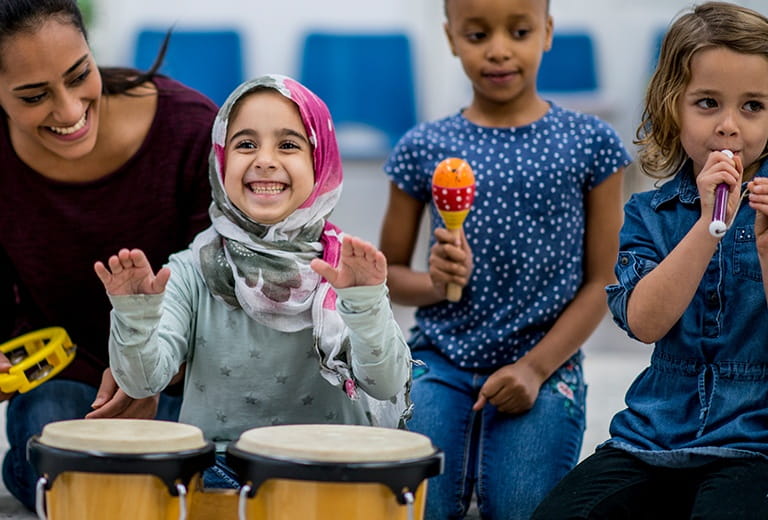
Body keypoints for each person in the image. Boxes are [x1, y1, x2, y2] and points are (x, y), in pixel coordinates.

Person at [94, 74, 413, 487]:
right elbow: (143, 381)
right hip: (218, 466)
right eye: (245, 144)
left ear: (321, 163)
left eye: (288, 144)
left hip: (332, 466)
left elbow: (384, 381)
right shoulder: (189, 269)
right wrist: (135, 317)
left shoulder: (349, 271)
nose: (264, 159)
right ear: (221, 160)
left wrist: (366, 303)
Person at [378, 0, 632, 518]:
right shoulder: (423, 145)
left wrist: (536, 369)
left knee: (522, 509)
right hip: (440, 357)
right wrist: (435, 281)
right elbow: (388, 276)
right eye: (476, 35)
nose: (498, 50)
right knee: (419, 507)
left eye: (518, 31)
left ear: (547, 32)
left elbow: (603, 279)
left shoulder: (592, 144)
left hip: (544, 359)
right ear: (451, 38)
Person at [531, 3, 768, 519]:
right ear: (671, 108)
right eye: (708, 103)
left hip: (757, 442)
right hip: (653, 437)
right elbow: (643, 322)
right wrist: (708, 227)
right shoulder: (646, 214)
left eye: (753, 106)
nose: (730, 127)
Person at [0, 0, 217, 510]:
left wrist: (158, 369)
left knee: (188, 460)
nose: (71, 110)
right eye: (34, 96)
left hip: (186, 368)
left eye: (80, 75)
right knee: (56, 446)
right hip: (65, 373)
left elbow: (227, 294)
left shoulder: (191, 129)